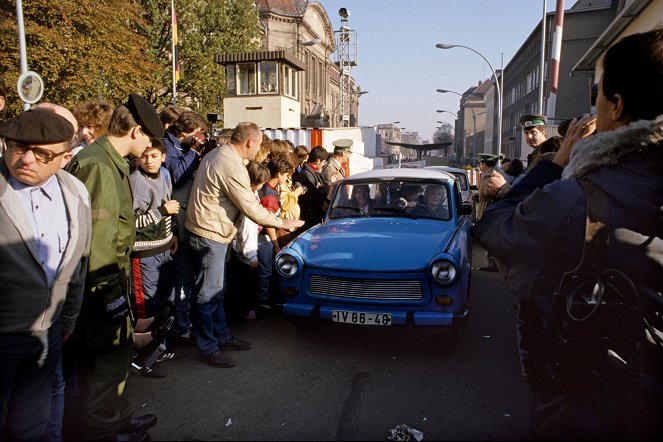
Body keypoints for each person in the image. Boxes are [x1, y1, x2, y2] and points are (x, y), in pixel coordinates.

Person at [473, 29, 663, 440]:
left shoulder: (578, 199)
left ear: (616, 104)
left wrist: (556, 163)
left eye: (597, 92)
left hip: (597, 404)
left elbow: (496, 228)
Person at [66, 93, 164, 441]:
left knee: (117, 362)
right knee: (104, 370)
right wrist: (111, 298)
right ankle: (103, 433)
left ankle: (119, 421)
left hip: (110, 284)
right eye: (150, 139)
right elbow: (98, 243)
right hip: (100, 289)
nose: (152, 147)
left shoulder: (112, 163)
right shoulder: (98, 165)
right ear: (136, 131)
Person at [0, 109, 91, 441]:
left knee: (31, 426)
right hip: (4, 335)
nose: (25, 159)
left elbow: (78, 262)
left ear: (65, 157)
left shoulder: (75, 192)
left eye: (41, 154)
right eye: (16, 147)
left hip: (47, 337)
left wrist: (68, 318)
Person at [184, 122, 303, 368]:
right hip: (210, 234)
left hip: (212, 232)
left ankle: (221, 336)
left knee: (217, 291)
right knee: (209, 294)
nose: (260, 149)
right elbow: (250, 206)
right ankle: (208, 347)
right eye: (259, 144)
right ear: (249, 142)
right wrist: (283, 221)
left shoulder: (221, 155)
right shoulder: (229, 164)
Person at [129, 138, 184, 375]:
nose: (149, 161)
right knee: (146, 309)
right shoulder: (134, 180)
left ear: (163, 156)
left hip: (163, 250)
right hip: (143, 254)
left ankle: (158, 350)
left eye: (154, 156)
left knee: (164, 304)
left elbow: (167, 207)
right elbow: (131, 222)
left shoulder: (163, 174)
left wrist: (172, 233)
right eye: (144, 156)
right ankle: (139, 359)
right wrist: (162, 212)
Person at [163, 110, 207, 342]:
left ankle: (184, 323)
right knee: (180, 279)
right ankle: (179, 328)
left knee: (187, 277)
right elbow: (177, 176)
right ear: (183, 132)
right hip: (176, 225)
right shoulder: (166, 146)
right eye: (196, 135)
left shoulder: (182, 147)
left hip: (187, 218)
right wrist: (194, 152)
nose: (198, 139)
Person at [226, 161, 271, 320]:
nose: (262, 185)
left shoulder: (245, 193)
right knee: (247, 284)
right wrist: (251, 255)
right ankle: (247, 312)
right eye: (260, 182)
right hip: (245, 251)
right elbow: (247, 230)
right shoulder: (249, 199)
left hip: (237, 247)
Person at [475, 153, 505, 272]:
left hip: (491, 210)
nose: (479, 166)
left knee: (491, 237)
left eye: (480, 163)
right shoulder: (488, 174)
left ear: (484, 164)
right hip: (488, 208)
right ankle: (493, 262)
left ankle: (494, 263)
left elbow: (493, 194)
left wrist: (482, 198)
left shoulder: (493, 176)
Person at [292, 146, 328, 231]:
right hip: (310, 217)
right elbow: (315, 197)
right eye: (323, 162)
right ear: (318, 160)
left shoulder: (312, 172)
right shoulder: (307, 174)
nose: (324, 164)